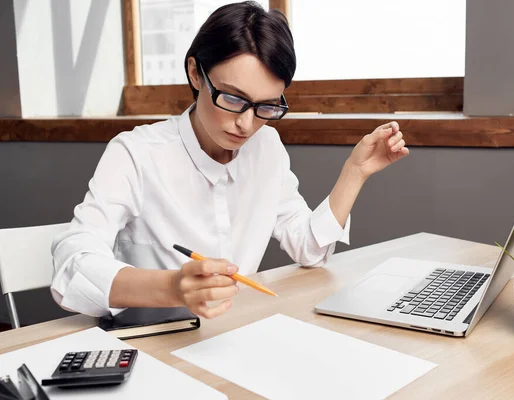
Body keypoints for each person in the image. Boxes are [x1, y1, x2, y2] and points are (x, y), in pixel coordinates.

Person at [50, 1, 409, 320]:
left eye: (267, 106)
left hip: (230, 336)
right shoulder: (136, 152)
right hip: (148, 345)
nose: (246, 123)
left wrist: (355, 172)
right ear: (195, 73)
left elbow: (309, 249)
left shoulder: (266, 146)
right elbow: (72, 265)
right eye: (233, 99)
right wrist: (173, 287)